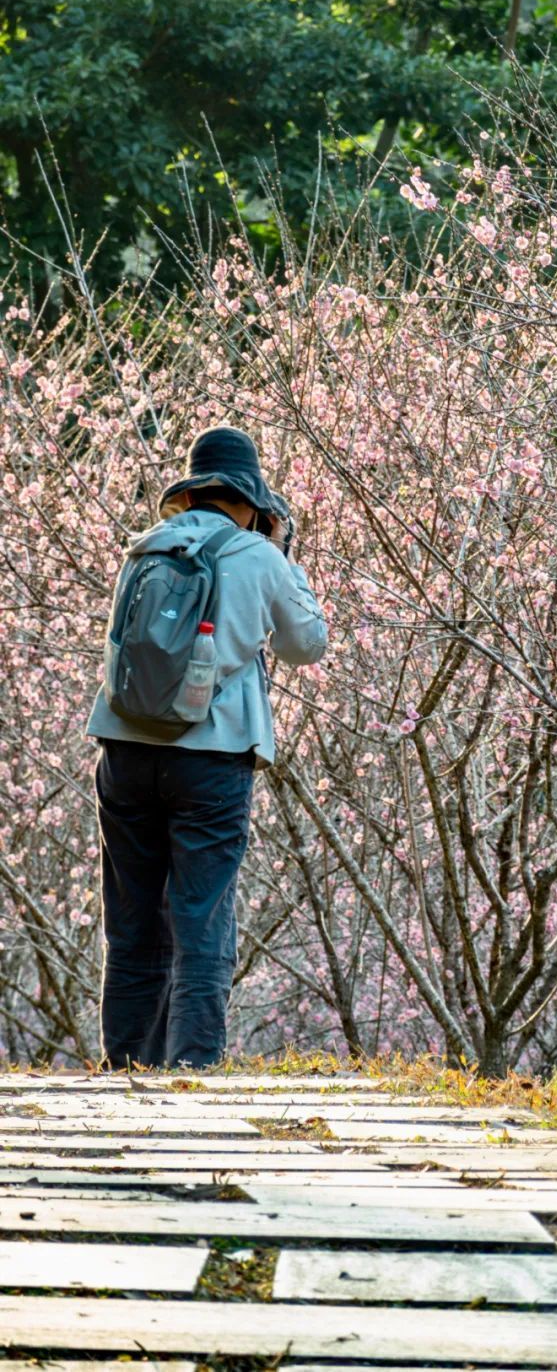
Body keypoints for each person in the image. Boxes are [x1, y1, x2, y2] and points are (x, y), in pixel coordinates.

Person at [87, 426, 328, 1070]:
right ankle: (192, 1069)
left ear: (193, 490)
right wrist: (286, 559)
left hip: (124, 748)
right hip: (212, 757)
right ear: (251, 501)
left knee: (132, 918)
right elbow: (306, 646)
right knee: (202, 915)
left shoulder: (144, 547)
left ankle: (128, 1067)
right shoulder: (260, 555)